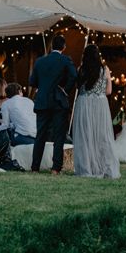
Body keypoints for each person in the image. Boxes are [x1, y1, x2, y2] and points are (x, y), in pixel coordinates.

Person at [28, 34, 77, 174]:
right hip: (58, 102)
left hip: (42, 100)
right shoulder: (65, 60)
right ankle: (56, 168)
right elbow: (74, 76)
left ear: (52, 46)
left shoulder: (40, 61)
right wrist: (65, 90)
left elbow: (32, 82)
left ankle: (35, 167)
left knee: (40, 135)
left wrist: (43, 86)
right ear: (64, 47)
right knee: (58, 136)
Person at [72, 45, 120, 178]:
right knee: (102, 136)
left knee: (85, 136)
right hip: (100, 104)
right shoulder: (104, 69)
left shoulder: (80, 70)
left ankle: (87, 167)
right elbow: (109, 91)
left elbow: (78, 87)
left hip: (84, 103)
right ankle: (104, 167)